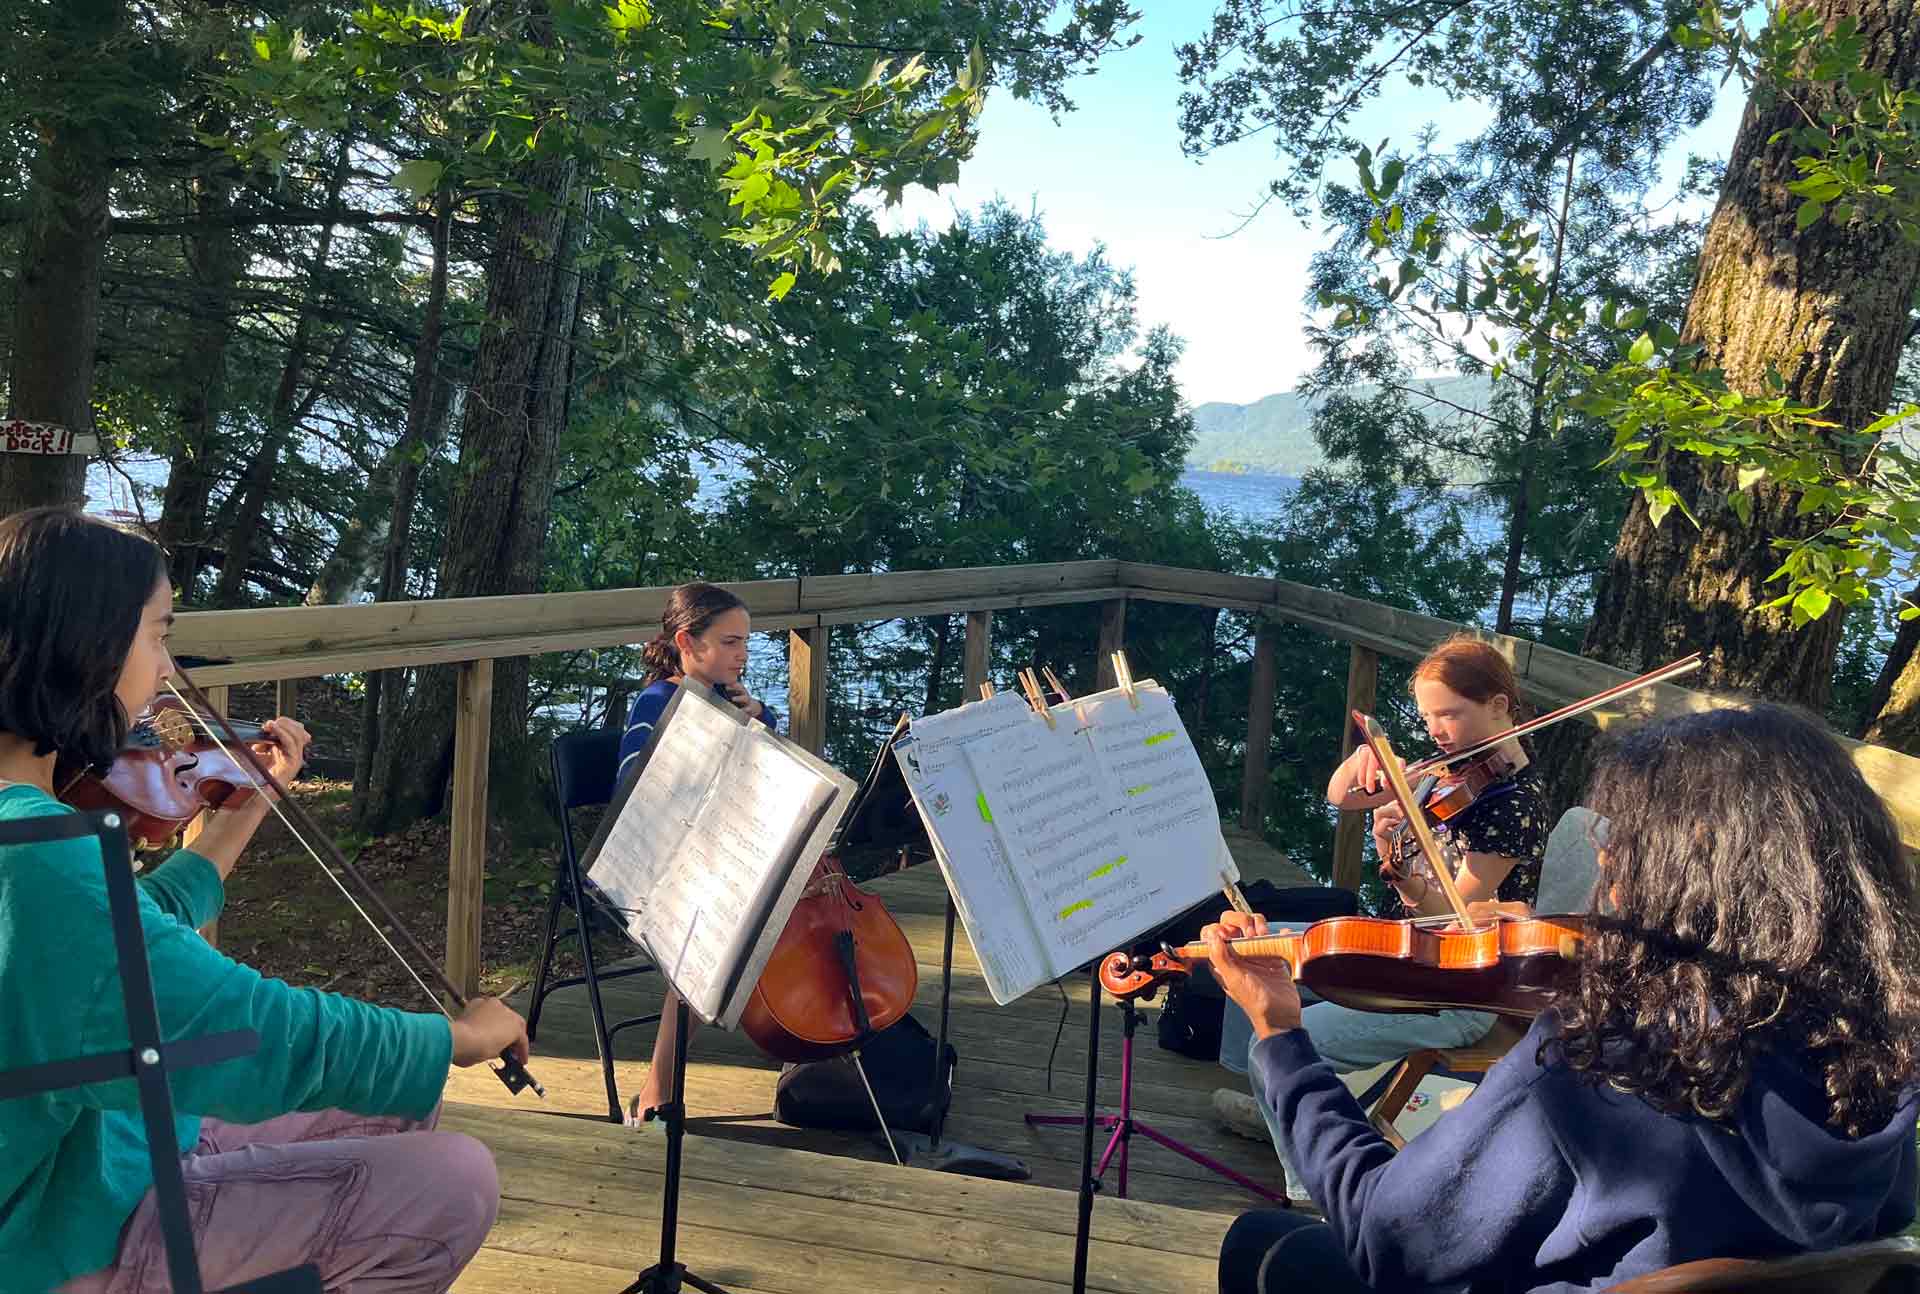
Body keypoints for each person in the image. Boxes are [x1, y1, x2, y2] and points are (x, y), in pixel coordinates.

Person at [1208, 702, 1919, 1293]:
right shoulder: (1883, 1054)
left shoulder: (1602, 1058)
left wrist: (1279, 1034)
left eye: (1627, 840)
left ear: (1684, 873)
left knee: (1266, 1244)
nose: (1605, 858)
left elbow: (1384, 1235)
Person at [0, 508, 531, 1294]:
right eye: (156, 634)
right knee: (452, 1180)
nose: (165, 668)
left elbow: (109, 959)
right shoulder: (42, 861)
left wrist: (231, 827)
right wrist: (451, 1038)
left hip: (89, 1147)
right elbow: (247, 1030)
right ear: (87, 646)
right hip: (49, 1231)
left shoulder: (33, 843)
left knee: (392, 1110)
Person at [1215, 635, 1548, 1192]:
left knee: (1278, 1034)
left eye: (1450, 714)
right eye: (1426, 716)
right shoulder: (1450, 769)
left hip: (1456, 989)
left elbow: (1455, 920)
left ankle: (1316, 1189)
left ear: (1499, 706)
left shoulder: (1512, 804)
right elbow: (1341, 796)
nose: (1436, 729)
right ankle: (1271, 1101)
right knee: (1253, 950)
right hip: (1403, 949)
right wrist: (1366, 758)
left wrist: (1404, 875)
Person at [616, 582, 778, 1125]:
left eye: (746, 642)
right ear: (688, 641)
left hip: (713, 854)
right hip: (649, 866)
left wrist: (761, 726)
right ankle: (656, 1089)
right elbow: (637, 799)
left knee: (766, 897)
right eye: (730, 642)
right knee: (711, 928)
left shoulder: (730, 701)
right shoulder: (658, 702)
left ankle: (816, 1048)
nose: (743, 654)